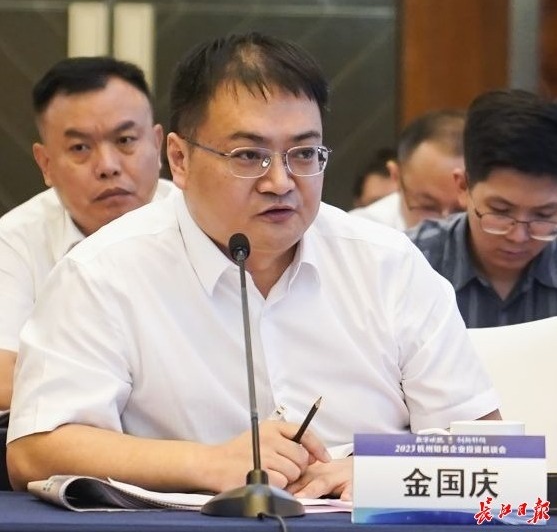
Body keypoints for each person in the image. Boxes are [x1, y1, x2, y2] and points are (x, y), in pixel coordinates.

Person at [7, 33, 499, 498]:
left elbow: (486, 446)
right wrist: (205, 463)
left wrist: (380, 468)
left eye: (304, 153)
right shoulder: (102, 271)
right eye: (248, 155)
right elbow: (36, 450)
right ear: (179, 159)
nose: (281, 182)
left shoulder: (388, 263)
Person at [0, 56, 176, 411]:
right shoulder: (15, 240)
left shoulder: (207, 222)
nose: (108, 166)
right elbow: (3, 379)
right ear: (46, 164)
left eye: (125, 140)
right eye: (80, 148)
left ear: (157, 145)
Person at [407, 89, 557, 328]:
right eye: (501, 211)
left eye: (543, 215)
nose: (518, 236)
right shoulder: (409, 263)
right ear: (463, 187)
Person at [350, 110, 466, 229]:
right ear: (396, 176)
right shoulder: (360, 231)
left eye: (462, 210)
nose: (445, 224)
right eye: (428, 207)